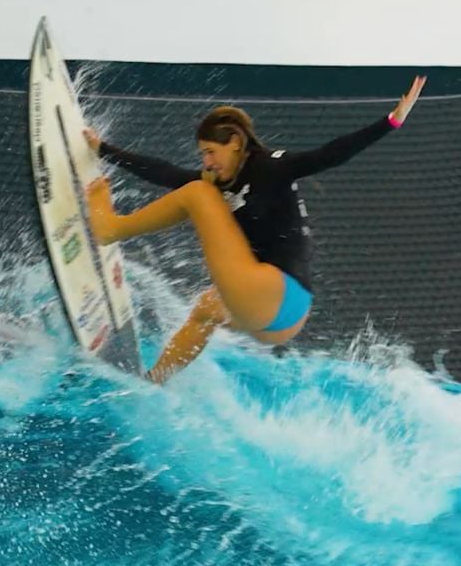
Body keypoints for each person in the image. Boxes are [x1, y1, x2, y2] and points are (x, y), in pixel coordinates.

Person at [83, 75, 426, 384]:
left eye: (210, 152)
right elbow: (165, 172)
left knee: (197, 194)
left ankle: (110, 229)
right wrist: (104, 150)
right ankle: (155, 381)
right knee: (206, 309)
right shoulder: (220, 181)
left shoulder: (270, 167)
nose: (206, 162)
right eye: (202, 154)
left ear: (234, 141)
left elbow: (329, 155)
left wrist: (390, 122)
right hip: (281, 316)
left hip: (278, 294)